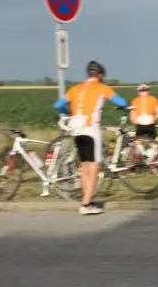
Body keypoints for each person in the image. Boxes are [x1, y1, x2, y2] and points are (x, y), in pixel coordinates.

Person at [53, 59, 129, 215]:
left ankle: (86, 200)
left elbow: (57, 105)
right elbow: (121, 102)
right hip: (91, 129)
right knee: (94, 166)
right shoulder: (102, 88)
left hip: (76, 130)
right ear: (100, 75)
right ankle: (86, 204)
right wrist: (123, 107)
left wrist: (68, 113)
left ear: (87, 74)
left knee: (84, 166)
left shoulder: (75, 88)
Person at [129, 83, 158, 159]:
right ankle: (151, 156)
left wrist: (136, 122)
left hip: (140, 124)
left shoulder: (135, 101)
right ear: (149, 91)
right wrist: (153, 119)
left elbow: (132, 117)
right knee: (152, 142)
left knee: (137, 142)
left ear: (138, 92)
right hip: (150, 123)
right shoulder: (154, 99)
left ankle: (144, 155)